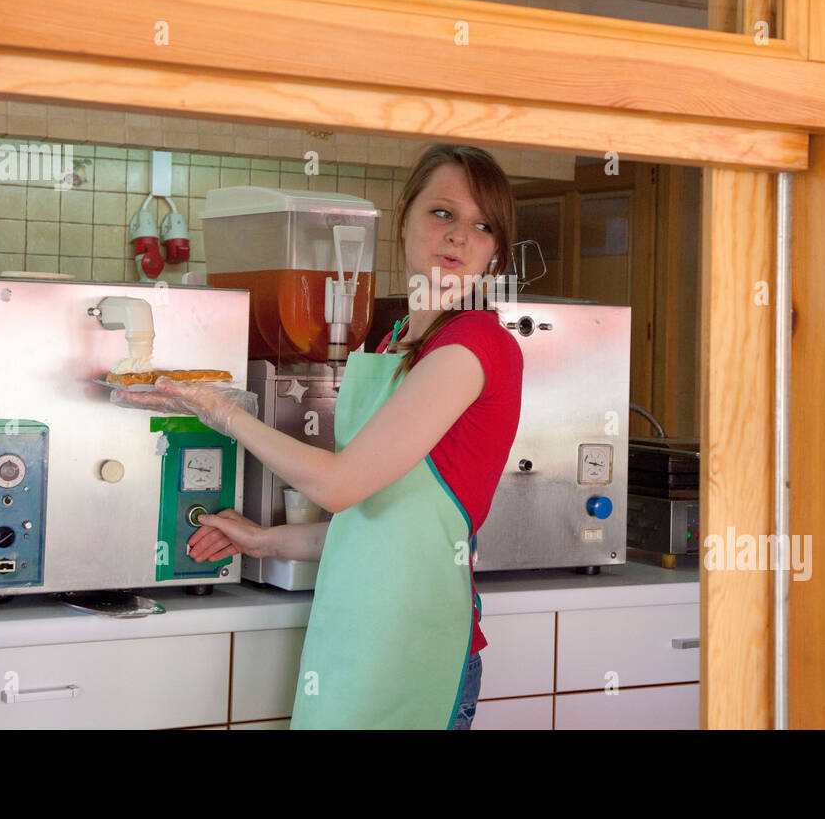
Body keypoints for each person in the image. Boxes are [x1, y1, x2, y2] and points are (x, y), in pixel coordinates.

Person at [111, 143, 524, 729]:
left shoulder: (475, 347)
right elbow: (373, 527)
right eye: (443, 213)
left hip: (418, 646)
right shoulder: (394, 342)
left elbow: (339, 486)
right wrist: (264, 542)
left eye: (482, 226)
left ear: (497, 251)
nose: (459, 237)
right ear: (404, 215)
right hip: (357, 638)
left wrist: (219, 411)